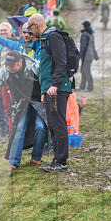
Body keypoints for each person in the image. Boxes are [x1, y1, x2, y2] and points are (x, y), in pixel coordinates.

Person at [0, 49, 47, 172]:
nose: (9, 68)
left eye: (12, 65)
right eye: (7, 65)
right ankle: (14, 162)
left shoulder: (35, 67)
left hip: (40, 102)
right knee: (19, 128)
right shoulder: (6, 71)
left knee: (40, 127)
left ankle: (36, 158)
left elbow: (48, 78)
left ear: (20, 62)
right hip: (23, 103)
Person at [28, 13, 73, 173]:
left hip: (58, 90)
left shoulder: (53, 37)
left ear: (37, 24)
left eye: (30, 27)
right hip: (49, 90)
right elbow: (45, 69)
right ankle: (57, 160)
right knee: (53, 123)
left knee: (58, 123)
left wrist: (54, 85)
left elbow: (62, 63)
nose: (30, 32)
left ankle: (61, 162)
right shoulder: (45, 39)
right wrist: (43, 90)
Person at [78, 20, 98, 92]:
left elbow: (83, 47)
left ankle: (90, 87)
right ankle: (82, 86)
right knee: (83, 71)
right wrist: (95, 55)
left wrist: (80, 56)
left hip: (86, 56)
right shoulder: (91, 34)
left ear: (84, 26)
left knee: (86, 71)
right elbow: (93, 46)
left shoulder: (84, 34)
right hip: (90, 55)